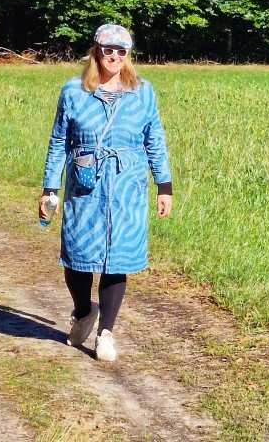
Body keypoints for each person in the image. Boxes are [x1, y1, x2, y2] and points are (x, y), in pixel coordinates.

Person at [39, 24, 173, 361]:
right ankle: (84, 312)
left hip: (127, 183)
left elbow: (154, 138)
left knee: (118, 257)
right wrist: (49, 188)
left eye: (121, 51)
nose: (114, 56)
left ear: (129, 56)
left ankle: (106, 334)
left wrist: (164, 185)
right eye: (108, 49)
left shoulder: (142, 92)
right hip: (84, 183)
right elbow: (58, 142)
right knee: (78, 255)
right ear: (96, 50)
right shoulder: (73, 91)